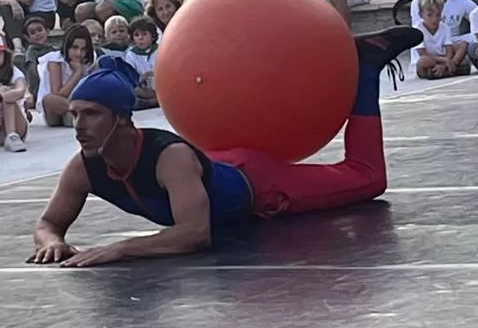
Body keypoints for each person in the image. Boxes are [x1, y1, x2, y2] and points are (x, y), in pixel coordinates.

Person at [29, 29, 421, 267]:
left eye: (91, 114)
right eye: (75, 114)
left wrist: (120, 249)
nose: (79, 126)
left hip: (260, 184)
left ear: (122, 119)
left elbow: (195, 234)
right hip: (217, 163)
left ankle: (366, 68)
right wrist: (54, 243)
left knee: (368, 179)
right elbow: (48, 224)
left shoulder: (169, 157)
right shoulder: (84, 167)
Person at [413, 0, 469, 79]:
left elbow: (449, 50)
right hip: (431, 60)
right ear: (421, 15)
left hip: (444, 58)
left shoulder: (444, 27)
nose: (434, 19)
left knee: (463, 45)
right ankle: (450, 70)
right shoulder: (417, 30)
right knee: (423, 61)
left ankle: (444, 70)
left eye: (437, 15)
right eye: (430, 15)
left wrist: (445, 63)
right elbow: (422, 53)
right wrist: (444, 60)